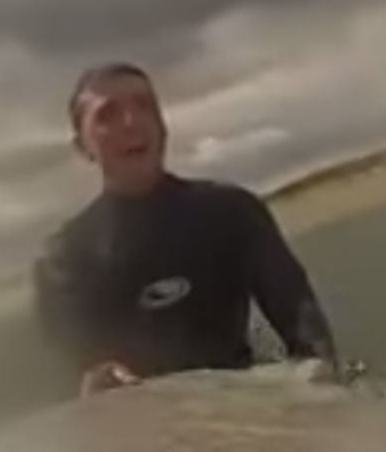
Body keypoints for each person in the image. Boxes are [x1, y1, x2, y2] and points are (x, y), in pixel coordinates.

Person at [32, 61, 344, 396]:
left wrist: (321, 373)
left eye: (144, 106)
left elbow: (300, 318)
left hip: (246, 410)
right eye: (107, 114)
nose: (132, 121)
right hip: (143, 431)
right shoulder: (63, 258)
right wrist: (95, 382)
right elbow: (77, 377)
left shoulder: (231, 211)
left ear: (162, 124)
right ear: (83, 147)